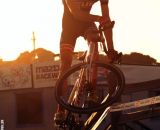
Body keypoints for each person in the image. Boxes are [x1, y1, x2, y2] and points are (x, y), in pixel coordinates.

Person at [54, 0, 120, 125]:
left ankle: (92, 89)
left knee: (95, 40)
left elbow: (106, 21)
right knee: (65, 65)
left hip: (86, 24)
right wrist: (99, 18)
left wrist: (110, 50)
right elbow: (77, 14)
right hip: (69, 28)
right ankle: (60, 109)